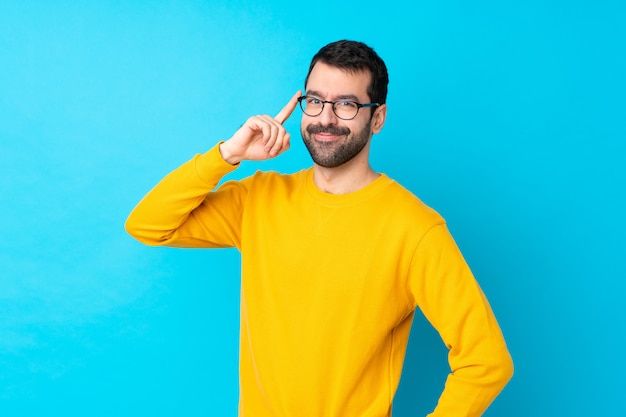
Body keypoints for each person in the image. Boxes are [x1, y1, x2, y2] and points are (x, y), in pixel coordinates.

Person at [125, 40, 513, 417]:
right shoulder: (259, 199)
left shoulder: (415, 229)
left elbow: (486, 361)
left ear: (377, 118)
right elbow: (148, 224)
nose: (325, 118)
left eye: (346, 104)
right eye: (315, 101)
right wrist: (228, 154)